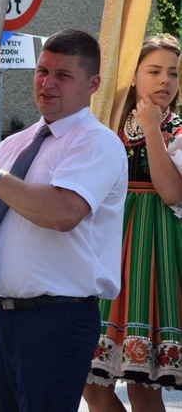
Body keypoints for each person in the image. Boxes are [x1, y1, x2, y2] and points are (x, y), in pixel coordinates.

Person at [0, 29, 128, 411]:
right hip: (6, 320)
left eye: (63, 75)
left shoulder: (97, 142)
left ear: (93, 84)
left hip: (58, 319)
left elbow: (62, 213)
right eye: (42, 71)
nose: (47, 83)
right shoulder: (12, 146)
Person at [83, 34, 182, 411]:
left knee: (143, 385)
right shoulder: (107, 123)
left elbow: (172, 193)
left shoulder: (175, 130)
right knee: (90, 381)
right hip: (106, 244)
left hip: (151, 254)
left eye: (173, 73)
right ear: (133, 75)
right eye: (154, 71)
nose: (165, 81)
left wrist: (153, 129)